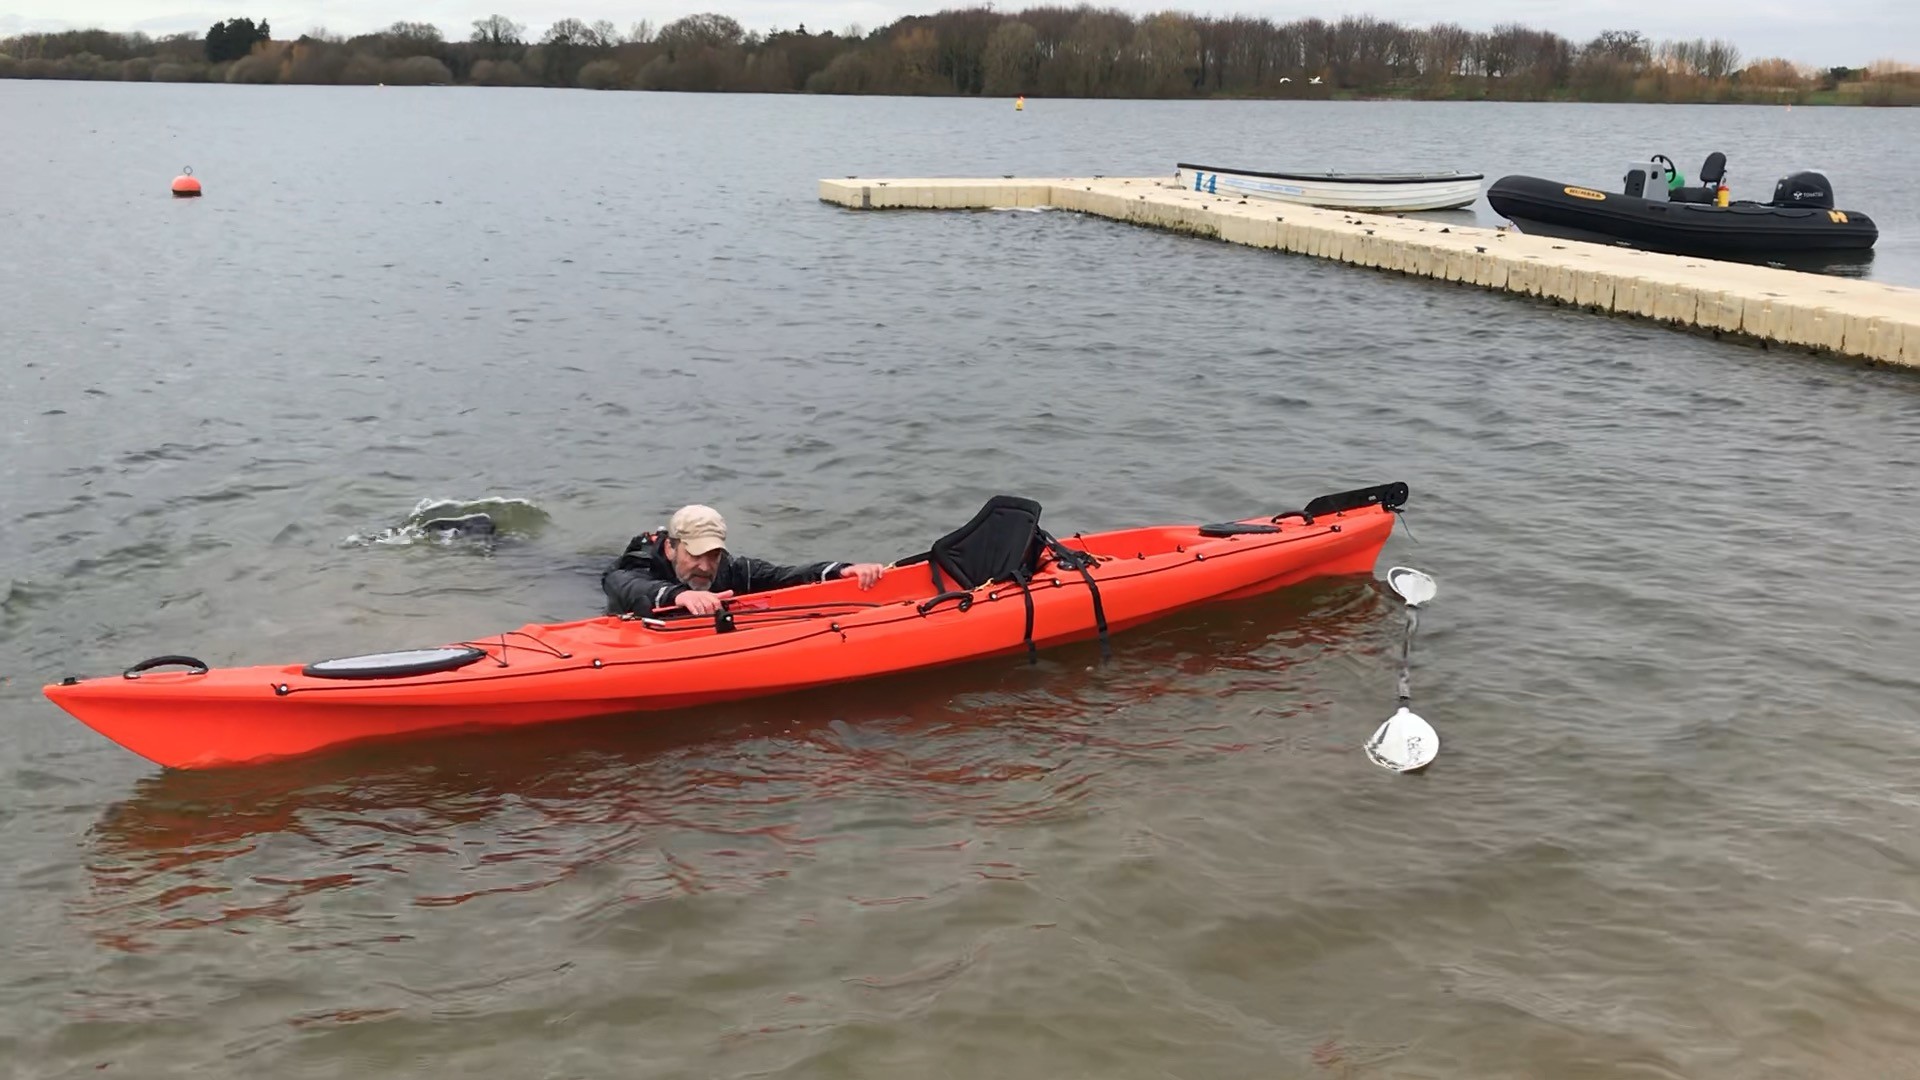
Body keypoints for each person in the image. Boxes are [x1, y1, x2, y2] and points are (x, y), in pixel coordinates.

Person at [602, 504, 886, 616]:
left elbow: (782, 577)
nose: (704, 566)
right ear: (671, 549)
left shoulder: (730, 569)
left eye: (712, 555)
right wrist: (680, 596)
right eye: (695, 554)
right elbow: (621, 583)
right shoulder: (640, 563)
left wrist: (841, 570)